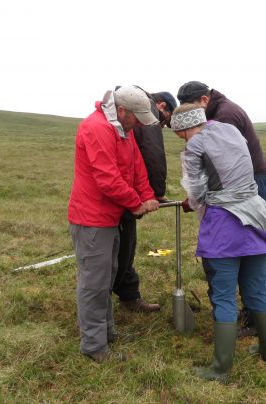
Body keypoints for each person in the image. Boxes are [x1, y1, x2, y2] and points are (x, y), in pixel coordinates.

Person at [170, 104, 266, 382]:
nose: (181, 138)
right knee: (257, 289)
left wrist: (192, 204)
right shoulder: (230, 129)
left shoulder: (194, 147)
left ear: (183, 127)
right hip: (257, 218)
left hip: (224, 227)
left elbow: (195, 192)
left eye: (178, 132)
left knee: (223, 296)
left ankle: (220, 368)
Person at [67, 85, 160, 362]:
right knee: (94, 283)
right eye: (137, 117)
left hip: (111, 217)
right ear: (121, 111)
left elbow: (136, 167)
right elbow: (107, 179)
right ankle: (94, 346)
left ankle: (106, 332)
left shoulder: (124, 130)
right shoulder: (96, 128)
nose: (140, 123)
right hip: (92, 219)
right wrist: (136, 203)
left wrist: (147, 195)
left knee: (107, 276)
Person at [112, 89, 177, 313]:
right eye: (165, 121)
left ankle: (127, 293)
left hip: (124, 187)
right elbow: (153, 151)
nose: (162, 126)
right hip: (123, 192)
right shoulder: (145, 110)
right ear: (161, 106)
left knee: (123, 242)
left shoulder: (124, 108)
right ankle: (118, 296)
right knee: (124, 244)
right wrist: (157, 193)